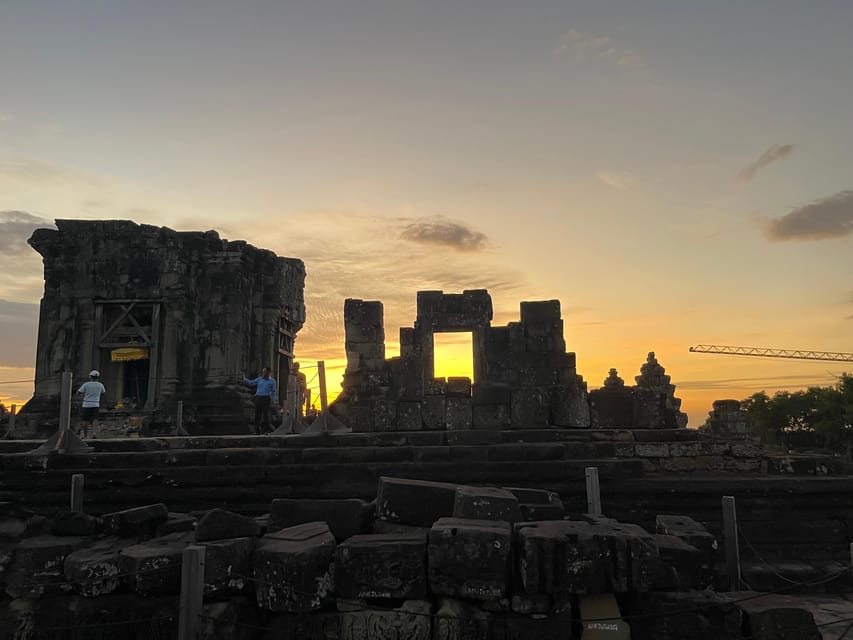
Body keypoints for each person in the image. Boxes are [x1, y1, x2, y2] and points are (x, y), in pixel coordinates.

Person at [242, 366, 277, 434]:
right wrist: (244, 378)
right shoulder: (259, 379)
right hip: (258, 398)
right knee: (257, 415)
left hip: (266, 398)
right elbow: (251, 383)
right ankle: (257, 430)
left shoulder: (272, 381)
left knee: (266, 415)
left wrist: (273, 400)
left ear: (269, 372)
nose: (263, 373)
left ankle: (267, 430)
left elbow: (274, 391)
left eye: (265, 372)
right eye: (263, 372)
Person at [76, 370, 105, 438]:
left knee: (85, 420)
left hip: (86, 404)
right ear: (97, 377)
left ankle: (85, 434)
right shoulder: (100, 385)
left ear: (90, 377)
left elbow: (78, 392)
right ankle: (94, 433)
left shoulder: (86, 384)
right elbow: (103, 393)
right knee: (95, 419)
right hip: (96, 404)